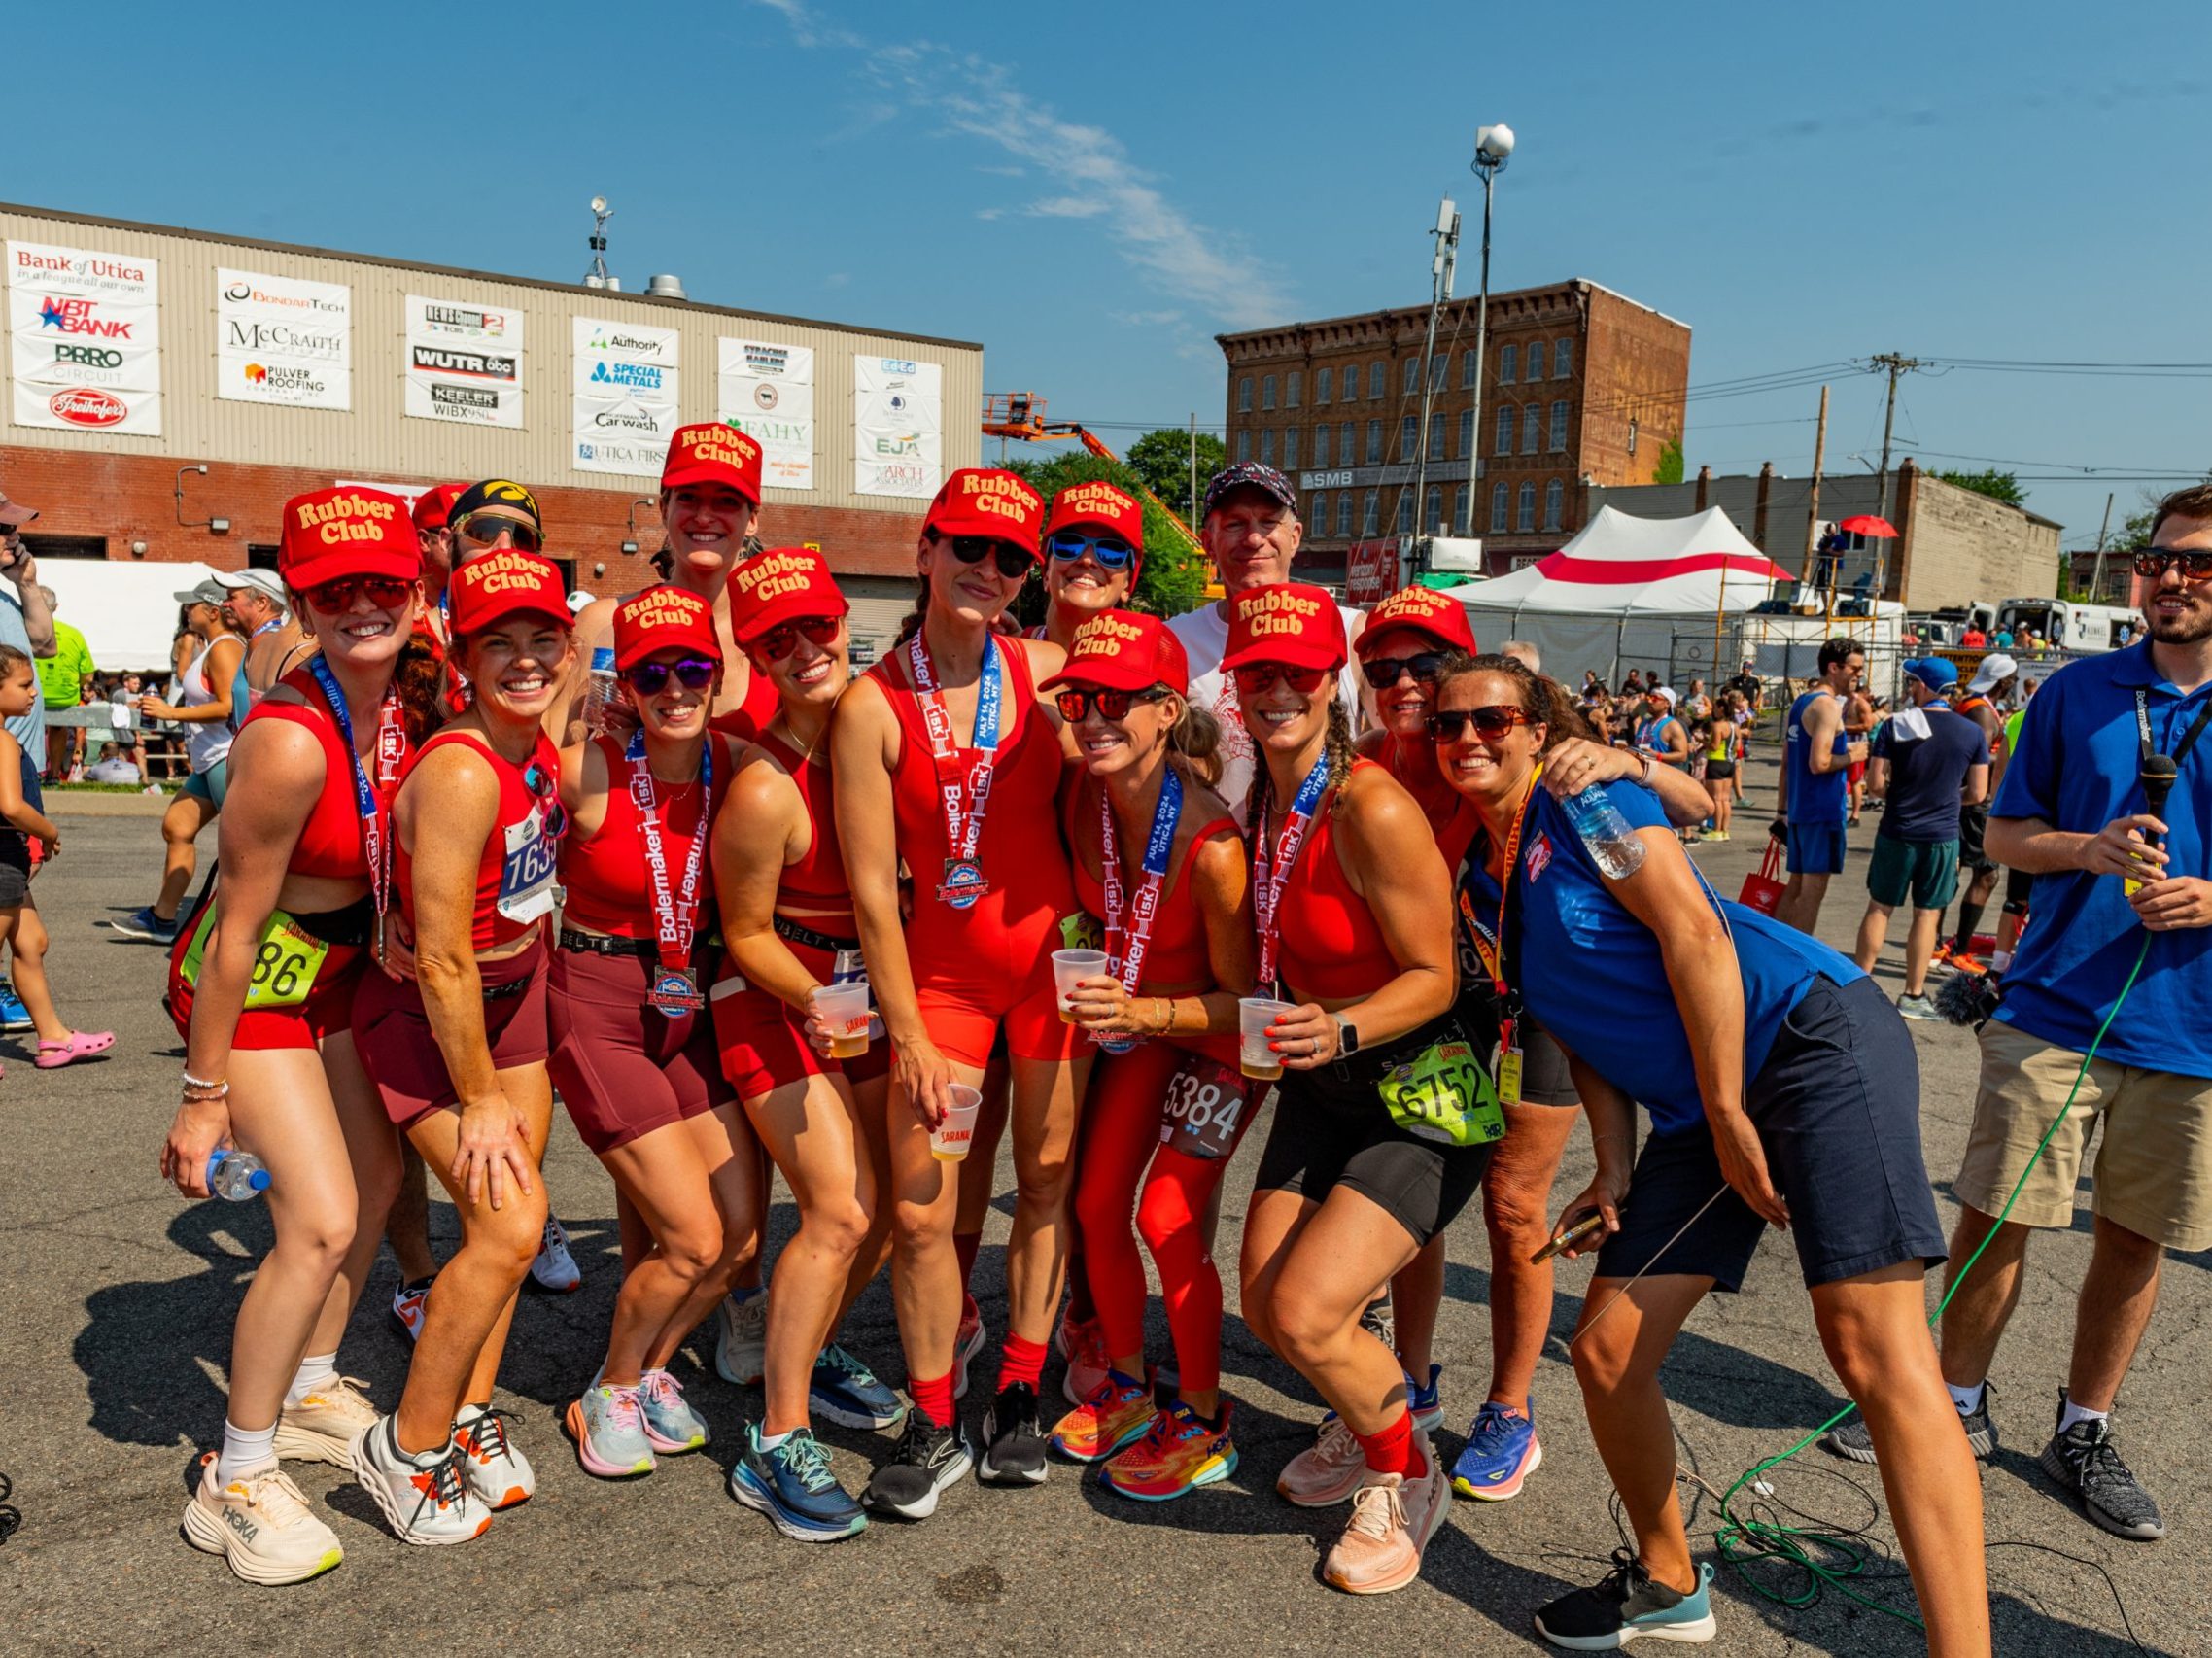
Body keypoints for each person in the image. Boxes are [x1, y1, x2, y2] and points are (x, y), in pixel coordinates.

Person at [1430, 654, 1987, 1653]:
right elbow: (1569, 1019)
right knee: (1604, 1351)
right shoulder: (1482, 875)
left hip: (1808, 1038)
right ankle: (1667, 1580)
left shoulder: (1582, 800)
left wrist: (1730, 1109)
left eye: (1491, 718)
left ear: (1535, 725)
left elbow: (1694, 930)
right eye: (1447, 725)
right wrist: (1611, 1164)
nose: (1467, 738)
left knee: (1872, 1349)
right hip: (1699, 1103)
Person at [1826, 487, 2212, 1545]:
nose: (2173, 578)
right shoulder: (2075, 691)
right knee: (1995, 1214)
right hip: (2052, 1006)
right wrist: (2084, 848)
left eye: (2199, 564)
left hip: (2190, 1027)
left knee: (2134, 1239)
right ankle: (1953, 1399)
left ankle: (2081, 1427)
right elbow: (2000, 836)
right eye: (2161, 559)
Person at [160, 486, 429, 1583]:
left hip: (338, 974)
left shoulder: (417, 684)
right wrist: (202, 1090)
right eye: (336, 587)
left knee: (373, 1182)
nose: (363, 602)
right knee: (315, 1221)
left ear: (414, 589)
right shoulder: (288, 740)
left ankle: (313, 1375)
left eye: (384, 581)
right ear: (305, 602)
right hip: (253, 982)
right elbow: (232, 935)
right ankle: (235, 1474)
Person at [832, 467, 1089, 1515]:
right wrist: (905, 1032)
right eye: (968, 548)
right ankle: (933, 1414)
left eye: (1010, 557)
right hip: (938, 985)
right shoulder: (869, 701)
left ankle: (1020, 1387)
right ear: (926, 550)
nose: (988, 570)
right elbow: (867, 893)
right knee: (919, 1209)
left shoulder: (1050, 667)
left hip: (1051, 972)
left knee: (1042, 1183)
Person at [1220, 584, 1467, 1595]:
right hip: (1321, 1083)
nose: (1278, 689)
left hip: (1416, 1087)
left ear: (1334, 684)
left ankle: (1407, 1475)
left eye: (1299, 672)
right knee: (1267, 1307)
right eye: (1257, 673)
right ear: (1234, 687)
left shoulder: (1367, 802)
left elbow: (1436, 973)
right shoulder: (1264, 799)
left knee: (1313, 1311)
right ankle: (1366, 1419)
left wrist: (1341, 1023)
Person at [348, 547, 573, 1544]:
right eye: (500, 644)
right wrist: (478, 1094)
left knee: (506, 1233)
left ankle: (469, 1408)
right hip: (434, 1017)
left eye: (542, 639)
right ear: (462, 659)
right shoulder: (460, 769)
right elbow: (438, 956)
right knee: (512, 1224)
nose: (525, 660)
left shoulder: (535, 742)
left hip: (514, 997)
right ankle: (406, 1444)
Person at [711, 549, 904, 1540]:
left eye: (814, 627)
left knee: (888, 1205)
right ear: (753, 653)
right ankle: (775, 1434)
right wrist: (818, 994)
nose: (801, 650)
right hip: (778, 996)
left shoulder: (888, 727)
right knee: (838, 1207)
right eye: (772, 640)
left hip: (868, 991)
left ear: (844, 623)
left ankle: (810, 1340)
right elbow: (743, 932)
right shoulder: (763, 784)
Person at [1045, 610, 1256, 1499]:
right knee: (1095, 1205)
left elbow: (1246, 1009)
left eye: (1117, 701)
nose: (1092, 717)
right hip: (1140, 1028)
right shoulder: (1082, 795)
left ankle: (1206, 1420)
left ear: (1168, 710)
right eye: (1080, 700)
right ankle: (1130, 1386)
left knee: (1166, 1217)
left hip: (1214, 1043)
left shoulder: (1212, 846)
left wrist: (1141, 1006)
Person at [548, 585, 747, 1484]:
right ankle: (611, 1385)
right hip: (598, 1005)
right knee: (695, 1238)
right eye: (651, 672)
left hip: (692, 1002)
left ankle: (657, 1368)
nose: (675, 687)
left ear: (717, 675)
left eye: (692, 667)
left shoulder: (737, 766)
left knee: (738, 1239)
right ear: (624, 682)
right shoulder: (584, 767)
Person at [1344, 585, 1480, 1426]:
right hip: (1381, 1011)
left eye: (1425, 665)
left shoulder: (1483, 757)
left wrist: (1627, 761)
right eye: (1383, 666)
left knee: (1488, 1211)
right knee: (1388, 1206)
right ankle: (1393, 1372)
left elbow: (1676, 804)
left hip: (1480, 1015)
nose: (1404, 683)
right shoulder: (1360, 761)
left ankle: (1485, 1398)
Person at [1168, 462, 1365, 820]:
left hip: (1323, 851)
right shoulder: (1174, 641)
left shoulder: (1351, 631)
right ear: (1207, 541)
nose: (1254, 538)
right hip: (1220, 854)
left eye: (1269, 522)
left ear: (1295, 537)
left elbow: (1387, 746)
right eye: (1235, 524)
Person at [570, 424, 779, 743]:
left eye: (726, 501)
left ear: (752, 520)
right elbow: (552, 761)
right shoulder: (604, 624)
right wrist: (597, 740)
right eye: (689, 498)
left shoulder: (782, 637)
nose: (705, 517)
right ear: (665, 508)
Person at [1849, 658, 1988, 1019]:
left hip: (1898, 828)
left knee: (1880, 907)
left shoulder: (1895, 725)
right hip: (1942, 834)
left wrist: (1902, 792)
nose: (1910, 688)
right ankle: (1913, 993)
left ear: (1924, 687)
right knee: (1927, 914)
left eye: (1912, 682)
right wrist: (1944, 797)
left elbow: (1876, 784)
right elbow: (1978, 791)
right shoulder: (1972, 732)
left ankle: (1860, 985)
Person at [111, 581, 246, 944]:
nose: (187, 611)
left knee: (242, 852)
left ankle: (242, 931)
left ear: (214, 611)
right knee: (177, 827)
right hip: (208, 761)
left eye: (193, 606)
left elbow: (228, 707)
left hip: (225, 758)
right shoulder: (211, 647)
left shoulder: (226, 648)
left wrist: (172, 711)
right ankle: (163, 919)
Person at [0, 644, 109, 1070]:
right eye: (24, 685)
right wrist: (48, 832)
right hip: (3, 857)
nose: (33, 694)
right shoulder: (4, 741)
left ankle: (53, 1038)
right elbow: (10, 805)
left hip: (9, 858)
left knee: (32, 942)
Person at [1772, 638, 1868, 936]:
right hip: (1822, 810)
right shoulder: (1827, 706)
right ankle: (1799, 959)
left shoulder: (1802, 702)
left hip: (1802, 810)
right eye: (1855, 668)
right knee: (1812, 894)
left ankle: (1776, 950)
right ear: (1833, 667)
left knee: (1796, 887)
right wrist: (1854, 754)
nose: (1860, 675)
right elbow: (1820, 763)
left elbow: (1788, 763)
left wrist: (1782, 811)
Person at [1939, 653, 2017, 972]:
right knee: (1987, 874)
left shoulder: (1973, 705)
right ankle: (1957, 950)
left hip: (1967, 800)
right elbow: (1978, 758)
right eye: (2011, 679)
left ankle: (1938, 943)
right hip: (1976, 803)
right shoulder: (1982, 713)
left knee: (1956, 873)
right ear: (2005, 682)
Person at [1029, 481, 1142, 648]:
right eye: (1069, 544)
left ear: (1127, 585)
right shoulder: (997, 657)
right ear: (1046, 572)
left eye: (1111, 551)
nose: (1087, 560)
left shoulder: (1146, 670)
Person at [213, 569, 307, 700]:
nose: (224, 603)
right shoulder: (263, 638)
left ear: (261, 603)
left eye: (232, 597)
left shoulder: (262, 642)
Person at [34, 588, 93, 782]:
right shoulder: (74, 634)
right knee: (58, 727)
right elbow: (88, 675)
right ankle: (53, 775)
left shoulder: (23, 629)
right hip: (64, 696)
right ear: (56, 608)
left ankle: (29, 771)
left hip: (33, 694)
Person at [1699, 699, 1738, 842]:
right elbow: (1736, 746)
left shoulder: (1717, 726)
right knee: (1725, 799)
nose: (1713, 711)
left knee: (1716, 799)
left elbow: (1714, 746)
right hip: (1729, 763)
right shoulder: (1734, 726)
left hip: (1716, 762)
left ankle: (1717, 830)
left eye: (1715, 708)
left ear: (1721, 708)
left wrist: (1702, 741)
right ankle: (1725, 831)